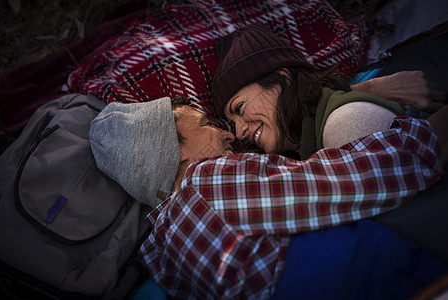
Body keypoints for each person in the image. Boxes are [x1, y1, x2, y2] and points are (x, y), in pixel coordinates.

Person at [89, 96, 447, 299]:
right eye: (205, 124)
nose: (228, 136)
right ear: (175, 153)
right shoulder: (207, 182)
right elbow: (359, 177)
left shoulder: (159, 252)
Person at [211, 23, 445, 159]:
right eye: (232, 123)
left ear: (283, 78)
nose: (239, 132)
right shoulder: (315, 136)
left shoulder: (345, 127)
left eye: (239, 108)